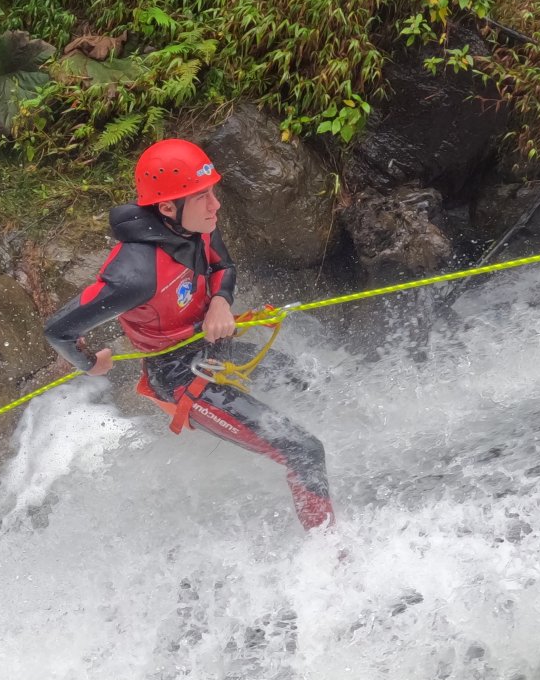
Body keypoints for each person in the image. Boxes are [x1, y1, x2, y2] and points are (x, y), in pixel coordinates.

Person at [43, 138, 334, 529]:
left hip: (215, 348)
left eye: (212, 192)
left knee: (309, 382)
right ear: (168, 207)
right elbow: (59, 330)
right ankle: (331, 559)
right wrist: (89, 364)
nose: (216, 205)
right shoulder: (134, 275)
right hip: (180, 377)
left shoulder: (197, 225)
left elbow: (222, 267)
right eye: (203, 197)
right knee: (305, 451)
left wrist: (220, 303)